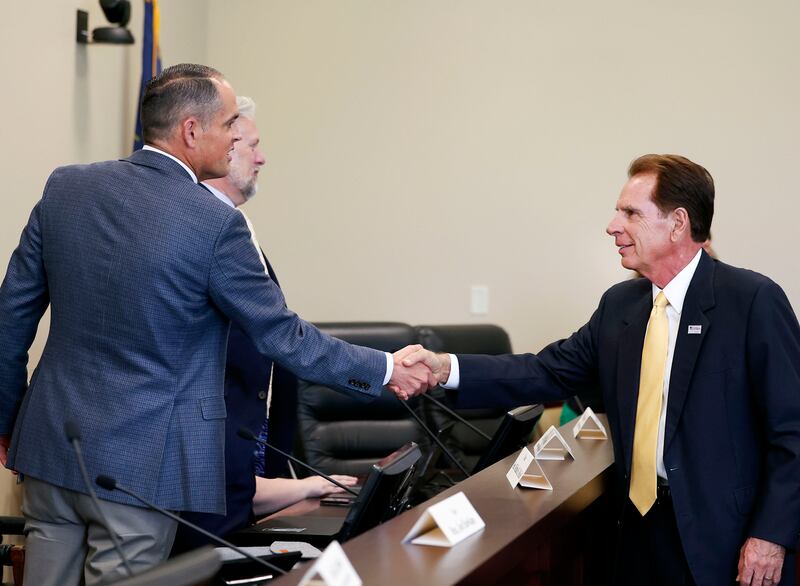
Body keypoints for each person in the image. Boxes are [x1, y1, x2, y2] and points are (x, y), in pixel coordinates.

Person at [0, 64, 432, 585]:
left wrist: (7, 422)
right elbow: (283, 335)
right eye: (229, 124)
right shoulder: (214, 222)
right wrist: (386, 368)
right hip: (144, 466)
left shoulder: (67, 187)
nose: (235, 138)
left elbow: (10, 319)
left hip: (50, 447)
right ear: (191, 130)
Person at [401, 155, 800, 586]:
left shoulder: (752, 301)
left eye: (630, 213)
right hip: (637, 532)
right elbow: (544, 371)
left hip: (726, 539)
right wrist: (444, 368)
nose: (613, 226)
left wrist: (770, 535)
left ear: (678, 223)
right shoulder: (620, 306)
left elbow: (793, 430)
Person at [171, 97, 356, 553]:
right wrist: (386, 372)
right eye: (252, 145)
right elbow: (278, 336)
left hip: (248, 477)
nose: (262, 157)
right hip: (203, 489)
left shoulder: (237, 225)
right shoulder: (198, 230)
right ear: (222, 146)